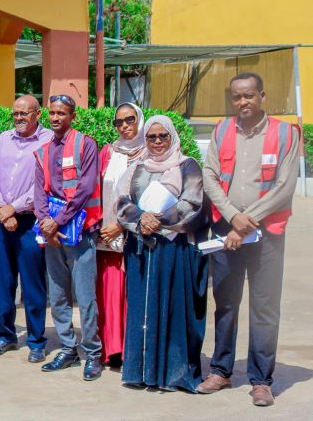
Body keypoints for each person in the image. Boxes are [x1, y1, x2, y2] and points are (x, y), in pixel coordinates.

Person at [198, 73, 300, 407]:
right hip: (226, 229)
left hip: (267, 235)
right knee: (226, 303)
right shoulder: (222, 129)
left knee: (264, 307)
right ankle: (221, 370)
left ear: (262, 95)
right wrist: (232, 216)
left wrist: (244, 223)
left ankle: (261, 379)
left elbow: (284, 187)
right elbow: (209, 175)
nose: (243, 102)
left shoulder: (285, 134)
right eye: (237, 97)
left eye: (250, 96)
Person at [115, 115, 208, 393]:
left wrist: (160, 221)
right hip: (140, 248)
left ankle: (172, 374)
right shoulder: (136, 167)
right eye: (152, 137)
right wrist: (141, 218)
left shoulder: (187, 165)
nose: (157, 142)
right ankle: (139, 371)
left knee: (171, 306)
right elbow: (121, 201)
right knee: (142, 307)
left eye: (162, 136)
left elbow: (192, 202)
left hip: (173, 248)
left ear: (172, 137)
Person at [33, 94, 103, 380]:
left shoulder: (86, 144)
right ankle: (67, 348)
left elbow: (86, 188)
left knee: (85, 296)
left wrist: (57, 221)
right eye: (52, 113)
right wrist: (44, 223)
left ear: (73, 116)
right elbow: (40, 191)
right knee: (58, 294)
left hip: (80, 232)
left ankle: (93, 353)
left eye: (62, 113)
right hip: (53, 235)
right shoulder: (43, 150)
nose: (55, 118)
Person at [0, 95, 53, 363]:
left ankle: (36, 340)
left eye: (24, 113)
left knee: (33, 282)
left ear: (38, 114)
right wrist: (4, 209)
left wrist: (13, 207)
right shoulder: (4, 138)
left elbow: (43, 183)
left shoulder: (47, 140)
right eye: (15, 114)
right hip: (4, 220)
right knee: (3, 281)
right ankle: (6, 336)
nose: (19, 118)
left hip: (29, 222)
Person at [96, 102, 146, 366]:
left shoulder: (150, 153)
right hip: (107, 238)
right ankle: (111, 349)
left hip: (136, 236)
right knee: (109, 292)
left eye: (129, 120)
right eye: (119, 122)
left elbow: (151, 197)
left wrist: (122, 224)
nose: (124, 126)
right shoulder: (108, 152)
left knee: (132, 293)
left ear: (139, 119)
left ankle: (132, 349)